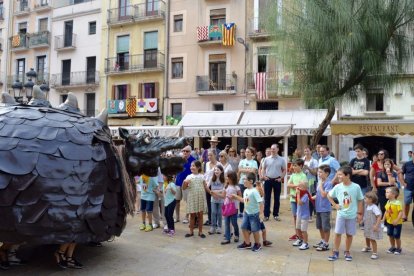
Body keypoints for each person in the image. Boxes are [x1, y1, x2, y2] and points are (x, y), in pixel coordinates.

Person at [327, 166, 364, 262]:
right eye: (338, 174)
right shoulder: (338, 187)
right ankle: (335, 251)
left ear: (348, 175)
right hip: (341, 214)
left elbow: (360, 200)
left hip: (352, 215)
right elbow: (329, 195)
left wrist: (360, 214)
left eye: (340, 175)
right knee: (338, 233)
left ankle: (347, 251)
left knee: (349, 234)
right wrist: (335, 205)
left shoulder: (356, 187)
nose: (338, 177)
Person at [231, 172, 264, 252]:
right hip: (247, 213)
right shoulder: (246, 191)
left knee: (255, 230)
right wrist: (236, 197)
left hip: (254, 214)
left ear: (251, 181)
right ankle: (247, 243)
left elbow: (261, 202)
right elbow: (245, 201)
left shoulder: (254, 191)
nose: (243, 180)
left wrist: (261, 213)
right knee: (243, 227)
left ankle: (257, 244)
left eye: (245, 179)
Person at [182, 160, 208, 238]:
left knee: (200, 215)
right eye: (191, 166)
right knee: (192, 215)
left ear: (198, 167)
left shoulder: (202, 176)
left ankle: (200, 232)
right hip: (192, 197)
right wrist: (185, 182)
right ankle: (191, 231)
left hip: (200, 197)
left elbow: (205, 186)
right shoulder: (189, 177)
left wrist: (210, 192)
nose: (191, 167)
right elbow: (184, 188)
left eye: (193, 166)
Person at [261, 143, 286, 221]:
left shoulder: (282, 159)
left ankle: (276, 215)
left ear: (278, 149)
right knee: (267, 198)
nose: (272, 150)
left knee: (277, 198)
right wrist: (263, 176)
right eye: (271, 149)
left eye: (274, 149)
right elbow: (263, 168)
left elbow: (284, 170)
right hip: (268, 180)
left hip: (277, 180)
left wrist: (281, 178)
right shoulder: (266, 159)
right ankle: (266, 215)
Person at [312, 165, 333, 251]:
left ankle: (326, 243)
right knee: (319, 226)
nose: (319, 174)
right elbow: (318, 194)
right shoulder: (319, 182)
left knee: (325, 227)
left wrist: (320, 186)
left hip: (325, 209)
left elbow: (324, 195)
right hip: (318, 208)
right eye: (318, 172)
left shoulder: (329, 183)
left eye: (321, 172)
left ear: (327, 173)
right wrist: (310, 197)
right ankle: (322, 240)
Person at [287, 159, 307, 241]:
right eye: (293, 165)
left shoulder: (303, 176)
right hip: (293, 199)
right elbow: (288, 184)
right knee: (295, 216)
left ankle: (302, 234)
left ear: (301, 166)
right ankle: (297, 234)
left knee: (300, 217)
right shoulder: (293, 175)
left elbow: (303, 187)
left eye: (295, 165)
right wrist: (296, 186)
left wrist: (294, 186)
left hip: (300, 199)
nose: (293, 167)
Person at [175, 145, 196, 224]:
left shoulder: (193, 161)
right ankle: (177, 217)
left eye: (187, 151)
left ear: (190, 152)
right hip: (178, 182)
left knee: (188, 201)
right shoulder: (179, 160)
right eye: (183, 151)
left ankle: (186, 217)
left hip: (188, 184)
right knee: (177, 201)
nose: (185, 152)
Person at [377, 159, 398, 232]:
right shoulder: (380, 173)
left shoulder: (394, 173)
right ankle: (383, 222)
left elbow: (392, 182)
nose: (387, 166)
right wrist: (388, 183)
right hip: (382, 192)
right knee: (383, 208)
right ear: (383, 165)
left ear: (391, 165)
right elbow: (379, 183)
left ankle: (386, 224)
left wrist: (389, 173)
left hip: (391, 193)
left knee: (389, 208)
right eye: (385, 164)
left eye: (388, 164)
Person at [361, 191, 383, 260]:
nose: (364, 200)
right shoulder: (367, 206)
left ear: (370, 199)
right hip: (367, 225)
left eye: (365, 198)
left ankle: (375, 253)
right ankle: (368, 246)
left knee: (372, 238)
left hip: (373, 225)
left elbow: (379, 216)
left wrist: (376, 225)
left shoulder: (374, 207)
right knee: (367, 236)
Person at [221, 171, 241, 245]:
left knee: (234, 222)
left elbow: (240, 197)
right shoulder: (226, 186)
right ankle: (227, 238)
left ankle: (236, 234)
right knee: (226, 223)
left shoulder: (236, 187)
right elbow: (223, 196)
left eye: (228, 177)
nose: (226, 178)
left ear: (232, 178)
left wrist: (234, 197)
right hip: (226, 207)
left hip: (234, 207)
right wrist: (215, 194)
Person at [238, 147, 258, 216]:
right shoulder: (242, 161)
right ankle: (241, 212)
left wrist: (244, 169)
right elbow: (239, 170)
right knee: (242, 197)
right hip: (242, 182)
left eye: (248, 152)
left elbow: (253, 171)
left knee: (249, 198)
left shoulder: (254, 162)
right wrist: (248, 169)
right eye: (246, 152)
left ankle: (248, 211)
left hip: (250, 183)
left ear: (252, 153)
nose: (246, 153)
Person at [292, 182, 312, 250]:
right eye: (298, 186)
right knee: (298, 228)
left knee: (303, 230)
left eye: (300, 187)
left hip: (304, 215)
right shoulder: (300, 194)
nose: (298, 188)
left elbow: (300, 203)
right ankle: (300, 239)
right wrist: (295, 195)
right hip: (299, 214)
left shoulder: (305, 195)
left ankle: (305, 243)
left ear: (305, 188)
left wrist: (297, 194)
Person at [383, 186, 403, 255]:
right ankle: (392, 247)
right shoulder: (388, 202)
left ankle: (399, 248)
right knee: (390, 234)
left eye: (388, 192)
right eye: (386, 192)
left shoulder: (398, 203)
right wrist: (383, 219)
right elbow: (386, 211)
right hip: (389, 222)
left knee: (396, 235)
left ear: (394, 194)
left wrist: (397, 220)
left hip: (397, 223)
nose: (386, 193)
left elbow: (400, 212)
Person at [204, 149, 221, 226]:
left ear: (215, 155)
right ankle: (210, 219)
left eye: (211, 155)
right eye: (208, 155)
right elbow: (206, 175)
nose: (209, 157)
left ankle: (216, 221)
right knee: (208, 203)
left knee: (216, 203)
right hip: (207, 185)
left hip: (215, 186)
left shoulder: (219, 164)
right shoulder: (207, 163)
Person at [206, 165, 225, 234]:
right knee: (213, 212)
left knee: (219, 213)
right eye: (215, 170)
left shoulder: (223, 179)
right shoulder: (212, 178)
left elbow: (224, 189)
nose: (216, 171)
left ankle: (219, 227)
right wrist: (212, 193)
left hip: (221, 199)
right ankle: (213, 227)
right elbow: (207, 186)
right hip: (213, 199)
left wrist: (216, 192)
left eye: (218, 170)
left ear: (221, 171)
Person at [303, 145, 319, 221]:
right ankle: (305, 214)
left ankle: (310, 215)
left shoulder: (314, 161)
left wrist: (308, 168)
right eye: (305, 151)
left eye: (308, 151)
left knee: (311, 197)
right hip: (303, 181)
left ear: (311, 151)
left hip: (312, 181)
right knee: (304, 197)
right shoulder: (302, 160)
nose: (306, 152)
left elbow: (315, 173)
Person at [255, 180, 273, 247]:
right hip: (256, 217)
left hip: (259, 218)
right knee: (254, 231)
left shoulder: (260, 198)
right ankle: (257, 242)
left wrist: (259, 186)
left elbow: (262, 192)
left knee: (263, 230)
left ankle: (264, 241)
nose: (260, 192)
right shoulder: (257, 199)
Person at [400, 156, 414, 222]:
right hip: (408, 187)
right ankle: (405, 216)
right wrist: (403, 182)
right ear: (412, 155)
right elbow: (401, 173)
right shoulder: (407, 164)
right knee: (406, 202)